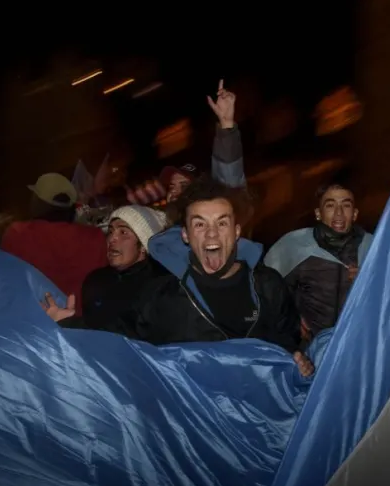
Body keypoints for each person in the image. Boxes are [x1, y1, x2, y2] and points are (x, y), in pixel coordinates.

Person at [43, 178, 314, 377]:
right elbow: (118, 341)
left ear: (236, 231)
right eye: (199, 224)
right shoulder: (162, 298)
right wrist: (69, 323)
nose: (211, 235)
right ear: (185, 235)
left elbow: (287, 343)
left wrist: (298, 361)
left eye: (221, 223)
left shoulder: (268, 286)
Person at [264, 183, 373, 342]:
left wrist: (370, 282)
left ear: (355, 214)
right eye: (330, 205)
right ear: (318, 213)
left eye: (346, 205)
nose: (339, 213)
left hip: (357, 346)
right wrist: (291, 319)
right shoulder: (294, 245)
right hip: (309, 349)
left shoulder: (373, 248)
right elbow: (265, 291)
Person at [128, 80, 246, 208]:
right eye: (172, 186)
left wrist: (226, 124)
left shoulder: (212, 219)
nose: (173, 190)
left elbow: (229, 180)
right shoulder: (170, 219)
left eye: (184, 186)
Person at [1, 172, 107, 313]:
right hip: (87, 326)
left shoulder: (17, 235)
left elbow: (4, 283)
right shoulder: (96, 237)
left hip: (36, 324)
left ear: (39, 203)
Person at [56, 205, 169, 332]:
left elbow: (129, 338)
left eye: (123, 232)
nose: (112, 239)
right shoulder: (96, 280)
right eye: (110, 232)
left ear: (143, 245)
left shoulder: (160, 287)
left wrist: (70, 323)